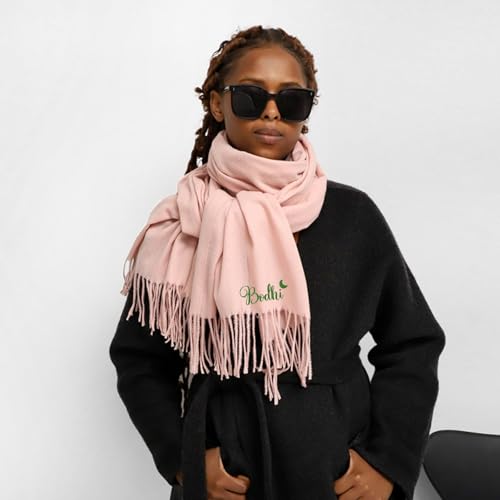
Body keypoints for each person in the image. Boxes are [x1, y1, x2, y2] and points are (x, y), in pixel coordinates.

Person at [109, 25, 446, 500]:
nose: (272, 112)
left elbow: (413, 343)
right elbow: (140, 360)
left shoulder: (352, 216)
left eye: (292, 100)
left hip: (332, 474)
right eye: (250, 96)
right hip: (227, 481)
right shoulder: (183, 222)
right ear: (217, 103)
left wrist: (387, 462)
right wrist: (184, 460)